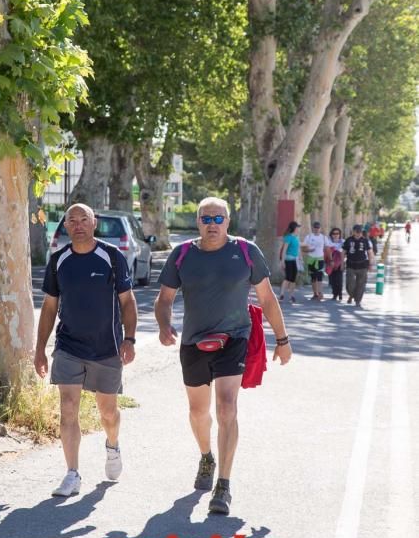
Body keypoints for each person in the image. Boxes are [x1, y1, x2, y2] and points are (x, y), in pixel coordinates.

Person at [154, 197, 292, 515]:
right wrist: (164, 325)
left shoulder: (245, 251)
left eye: (218, 218)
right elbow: (164, 300)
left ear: (229, 221)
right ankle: (206, 457)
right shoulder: (183, 254)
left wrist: (282, 339)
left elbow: (268, 299)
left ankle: (224, 486)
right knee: (198, 413)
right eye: (206, 218)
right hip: (193, 343)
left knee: (227, 408)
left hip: (234, 339)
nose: (212, 224)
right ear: (198, 222)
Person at [34, 203, 137, 497]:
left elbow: (128, 302)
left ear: (94, 224)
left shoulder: (112, 256)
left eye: (84, 220)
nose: (78, 225)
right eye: (72, 220)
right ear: (65, 226)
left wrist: (129, 339)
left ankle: (113, 444)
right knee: (68, 408)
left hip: (106, 348)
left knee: (108, 413)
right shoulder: (58, 261)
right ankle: (72, 474)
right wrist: (40, 348)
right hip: (68, 346)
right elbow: (50, 306)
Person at [343, 224, 375, 308]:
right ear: (353, 232)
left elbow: (370, 253)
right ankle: (352, 295)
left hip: (362, 265)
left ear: (362, 232)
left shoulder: (365, 241)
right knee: (349, 284)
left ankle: (358, 300)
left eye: (359, 232)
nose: (358, 233)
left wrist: (371, 264)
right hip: (350, 264)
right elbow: (343, 252)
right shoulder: (348, 240)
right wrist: (341, 263)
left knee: (361, 284)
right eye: (356, 231)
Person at [302, 221, 329, 300]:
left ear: (320, 228)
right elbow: (303, 248)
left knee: (320, 276)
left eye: (318, 227)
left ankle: (320, 292)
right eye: (315, 227)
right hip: (311, 259)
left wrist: (330, 259)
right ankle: (315, 293)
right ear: (313, 228)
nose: (316, 229)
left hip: (320, 259)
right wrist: (308, 251)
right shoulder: (309, 237)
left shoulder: (324, 237)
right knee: (313, 277)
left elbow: (327, 248)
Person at [279, 221, 301, 303]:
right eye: (297, 227)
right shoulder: (288, 237)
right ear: (294, 228)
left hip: (294, 260)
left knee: (293, 279)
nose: (298, 228)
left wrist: (300, 258)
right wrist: (282, 262)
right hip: (288, 260)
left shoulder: (296, 238)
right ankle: (281, 294)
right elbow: (284, 250)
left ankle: (292, 296)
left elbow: (298, 249)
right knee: (288, 278)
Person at [326, 227, 345, 300]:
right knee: (332, 280)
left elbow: (345, 252)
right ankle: (334, 294)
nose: (335, 235)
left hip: (340, 263)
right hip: (331, 262)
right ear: (331, 234)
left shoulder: (343, 242)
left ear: (340, 234)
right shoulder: (328, 241)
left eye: (337, 233)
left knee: (339, 279)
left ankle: (340, 293)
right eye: (334, 233)